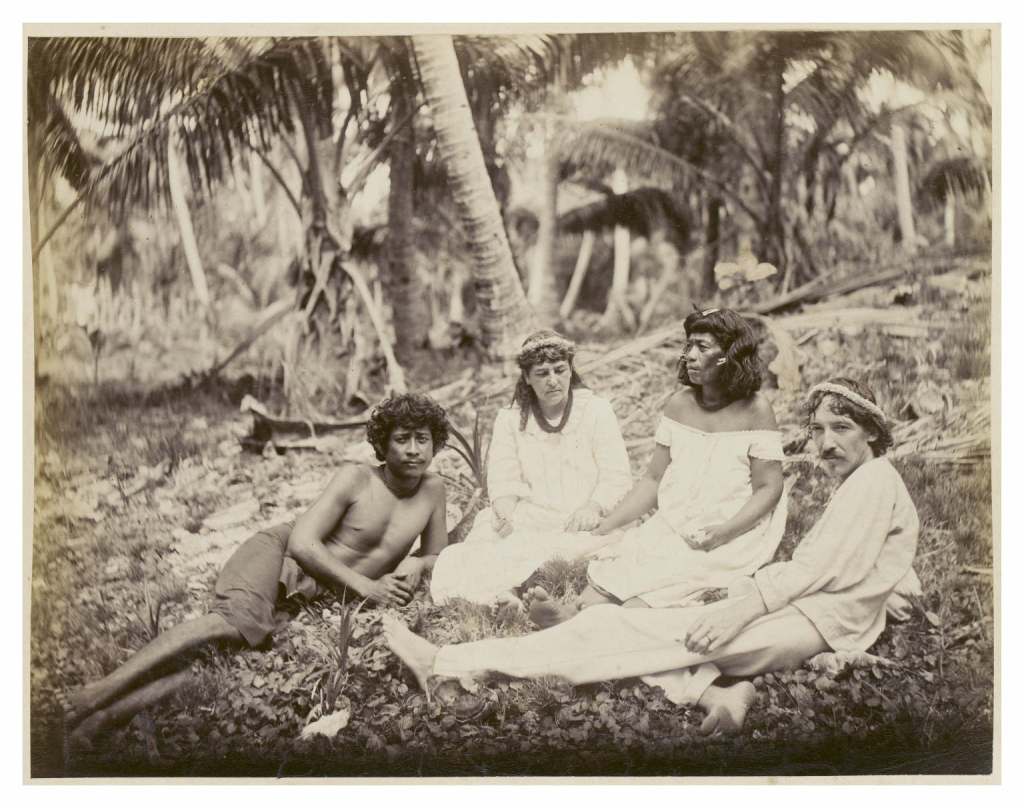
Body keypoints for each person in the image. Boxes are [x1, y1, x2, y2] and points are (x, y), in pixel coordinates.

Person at [385, 377, 919, 736]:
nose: (825, 443)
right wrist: (883, 599)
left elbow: (818, 568)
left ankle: (445, 665)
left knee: (615, 633)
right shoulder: (874, 482)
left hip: (802, 622)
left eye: (841, 428)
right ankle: (721, 695)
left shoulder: (873, 482)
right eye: (820, 429)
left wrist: (744, 606)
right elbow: (868, 559)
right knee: (645, 635)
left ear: (873, 431)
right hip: (810, 619)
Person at [65, 393, 451, 747]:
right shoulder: (357, 477)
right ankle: (97, 692)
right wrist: (366, 587)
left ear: (435, 443)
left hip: (317, 594)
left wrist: (417, 561)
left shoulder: (433, 490)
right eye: (403, 439)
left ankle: (103, 721)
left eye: (423, 439)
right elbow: (302, 543)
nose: (414, 450)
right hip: (280, 554)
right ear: (383, 444)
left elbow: (438, 555)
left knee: (228, 663)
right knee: (233, 623)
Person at [527, 307, 786, 626]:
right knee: (632, 557)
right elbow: (653, 479)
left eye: (702, 347)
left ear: (730, 355)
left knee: (673, 576)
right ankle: (575, 611)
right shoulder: (680, 404)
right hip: (680, 517)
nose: (690, 355)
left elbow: (769, 487)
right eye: (688, 345)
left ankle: (593, 625)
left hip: (733, 523)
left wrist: (723, 532)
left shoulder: (756, 410)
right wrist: (608, 524)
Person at [429, 329, 632, 605]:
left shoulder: (596, 411)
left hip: (582, 518)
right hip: (533, 516)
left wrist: (593, 507)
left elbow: (616, 476)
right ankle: (505, 595)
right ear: (526, 377)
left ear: (571, 370)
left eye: (560, 370)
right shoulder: (511, 419)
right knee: (489, 535)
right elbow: (504, 478)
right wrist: (504, 511)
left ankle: (519, 587)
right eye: (542, 373)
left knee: (589, 546)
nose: (552, 381)